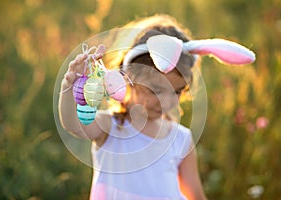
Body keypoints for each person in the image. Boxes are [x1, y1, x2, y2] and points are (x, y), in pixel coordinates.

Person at [58, 14, 255, 200]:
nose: (166, 102)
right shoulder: (111, 127)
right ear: (128, 79)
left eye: (176, 92)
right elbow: (73, 124)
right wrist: (69, 86)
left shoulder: (181, 139)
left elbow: (195, 195)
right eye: (155, 90)